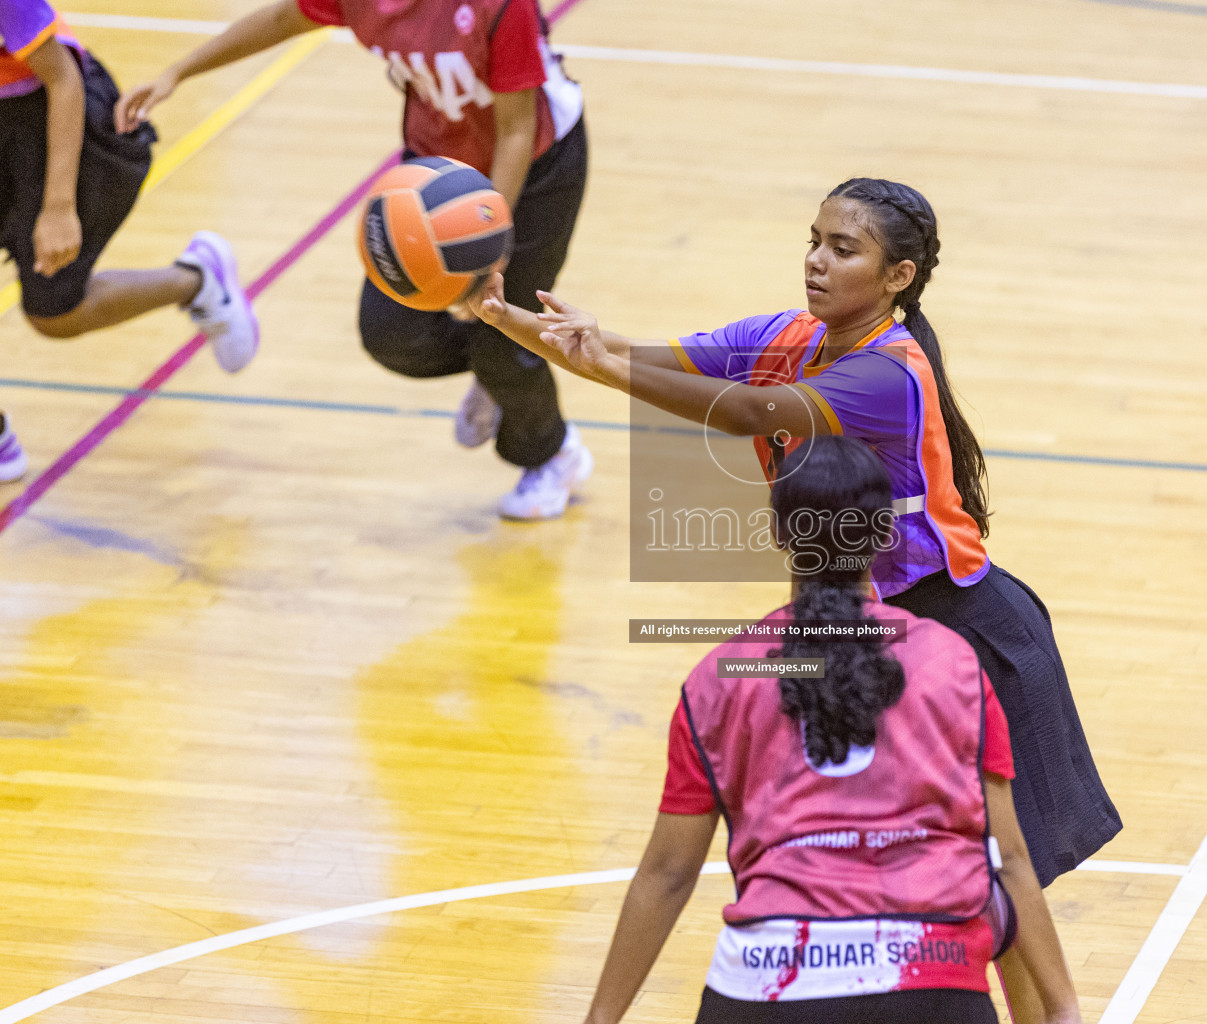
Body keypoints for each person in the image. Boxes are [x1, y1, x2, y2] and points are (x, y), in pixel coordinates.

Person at [473, 177, 1122, 887]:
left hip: (961, 630)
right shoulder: (782, 335)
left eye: (842, 249)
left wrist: (603, 362)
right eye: (813, 242)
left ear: (897, 277)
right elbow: (629, 352)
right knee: (893, 867)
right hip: (856, 629)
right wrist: (503, 318)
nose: (816, 260)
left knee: (998, 877)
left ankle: (1040, 1004)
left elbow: (754, 414)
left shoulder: (887, 371)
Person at [584, 436, 1083, 1024]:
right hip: (929, 981)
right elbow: (1007, 857)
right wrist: (1062, 1007)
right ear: (882, 534)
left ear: (778, 533)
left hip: (769, 989)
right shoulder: (952, 664)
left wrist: (599, 1020)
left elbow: (668, 874)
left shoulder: (725, 676)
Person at [118, 0, 593, 519]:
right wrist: (178, 71)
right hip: (433, 171)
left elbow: (518, 129)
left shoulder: (502, 7)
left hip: (536, 168)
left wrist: (486, 251)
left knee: (506, 336)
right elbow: (282, 20)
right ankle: (498, 370)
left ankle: (553, 454)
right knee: (392, 333)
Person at [0, 0, 260, 486]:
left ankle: (197, 281)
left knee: (55, 315)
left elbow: (63, 80)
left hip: (51, 118)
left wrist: (58, 208)